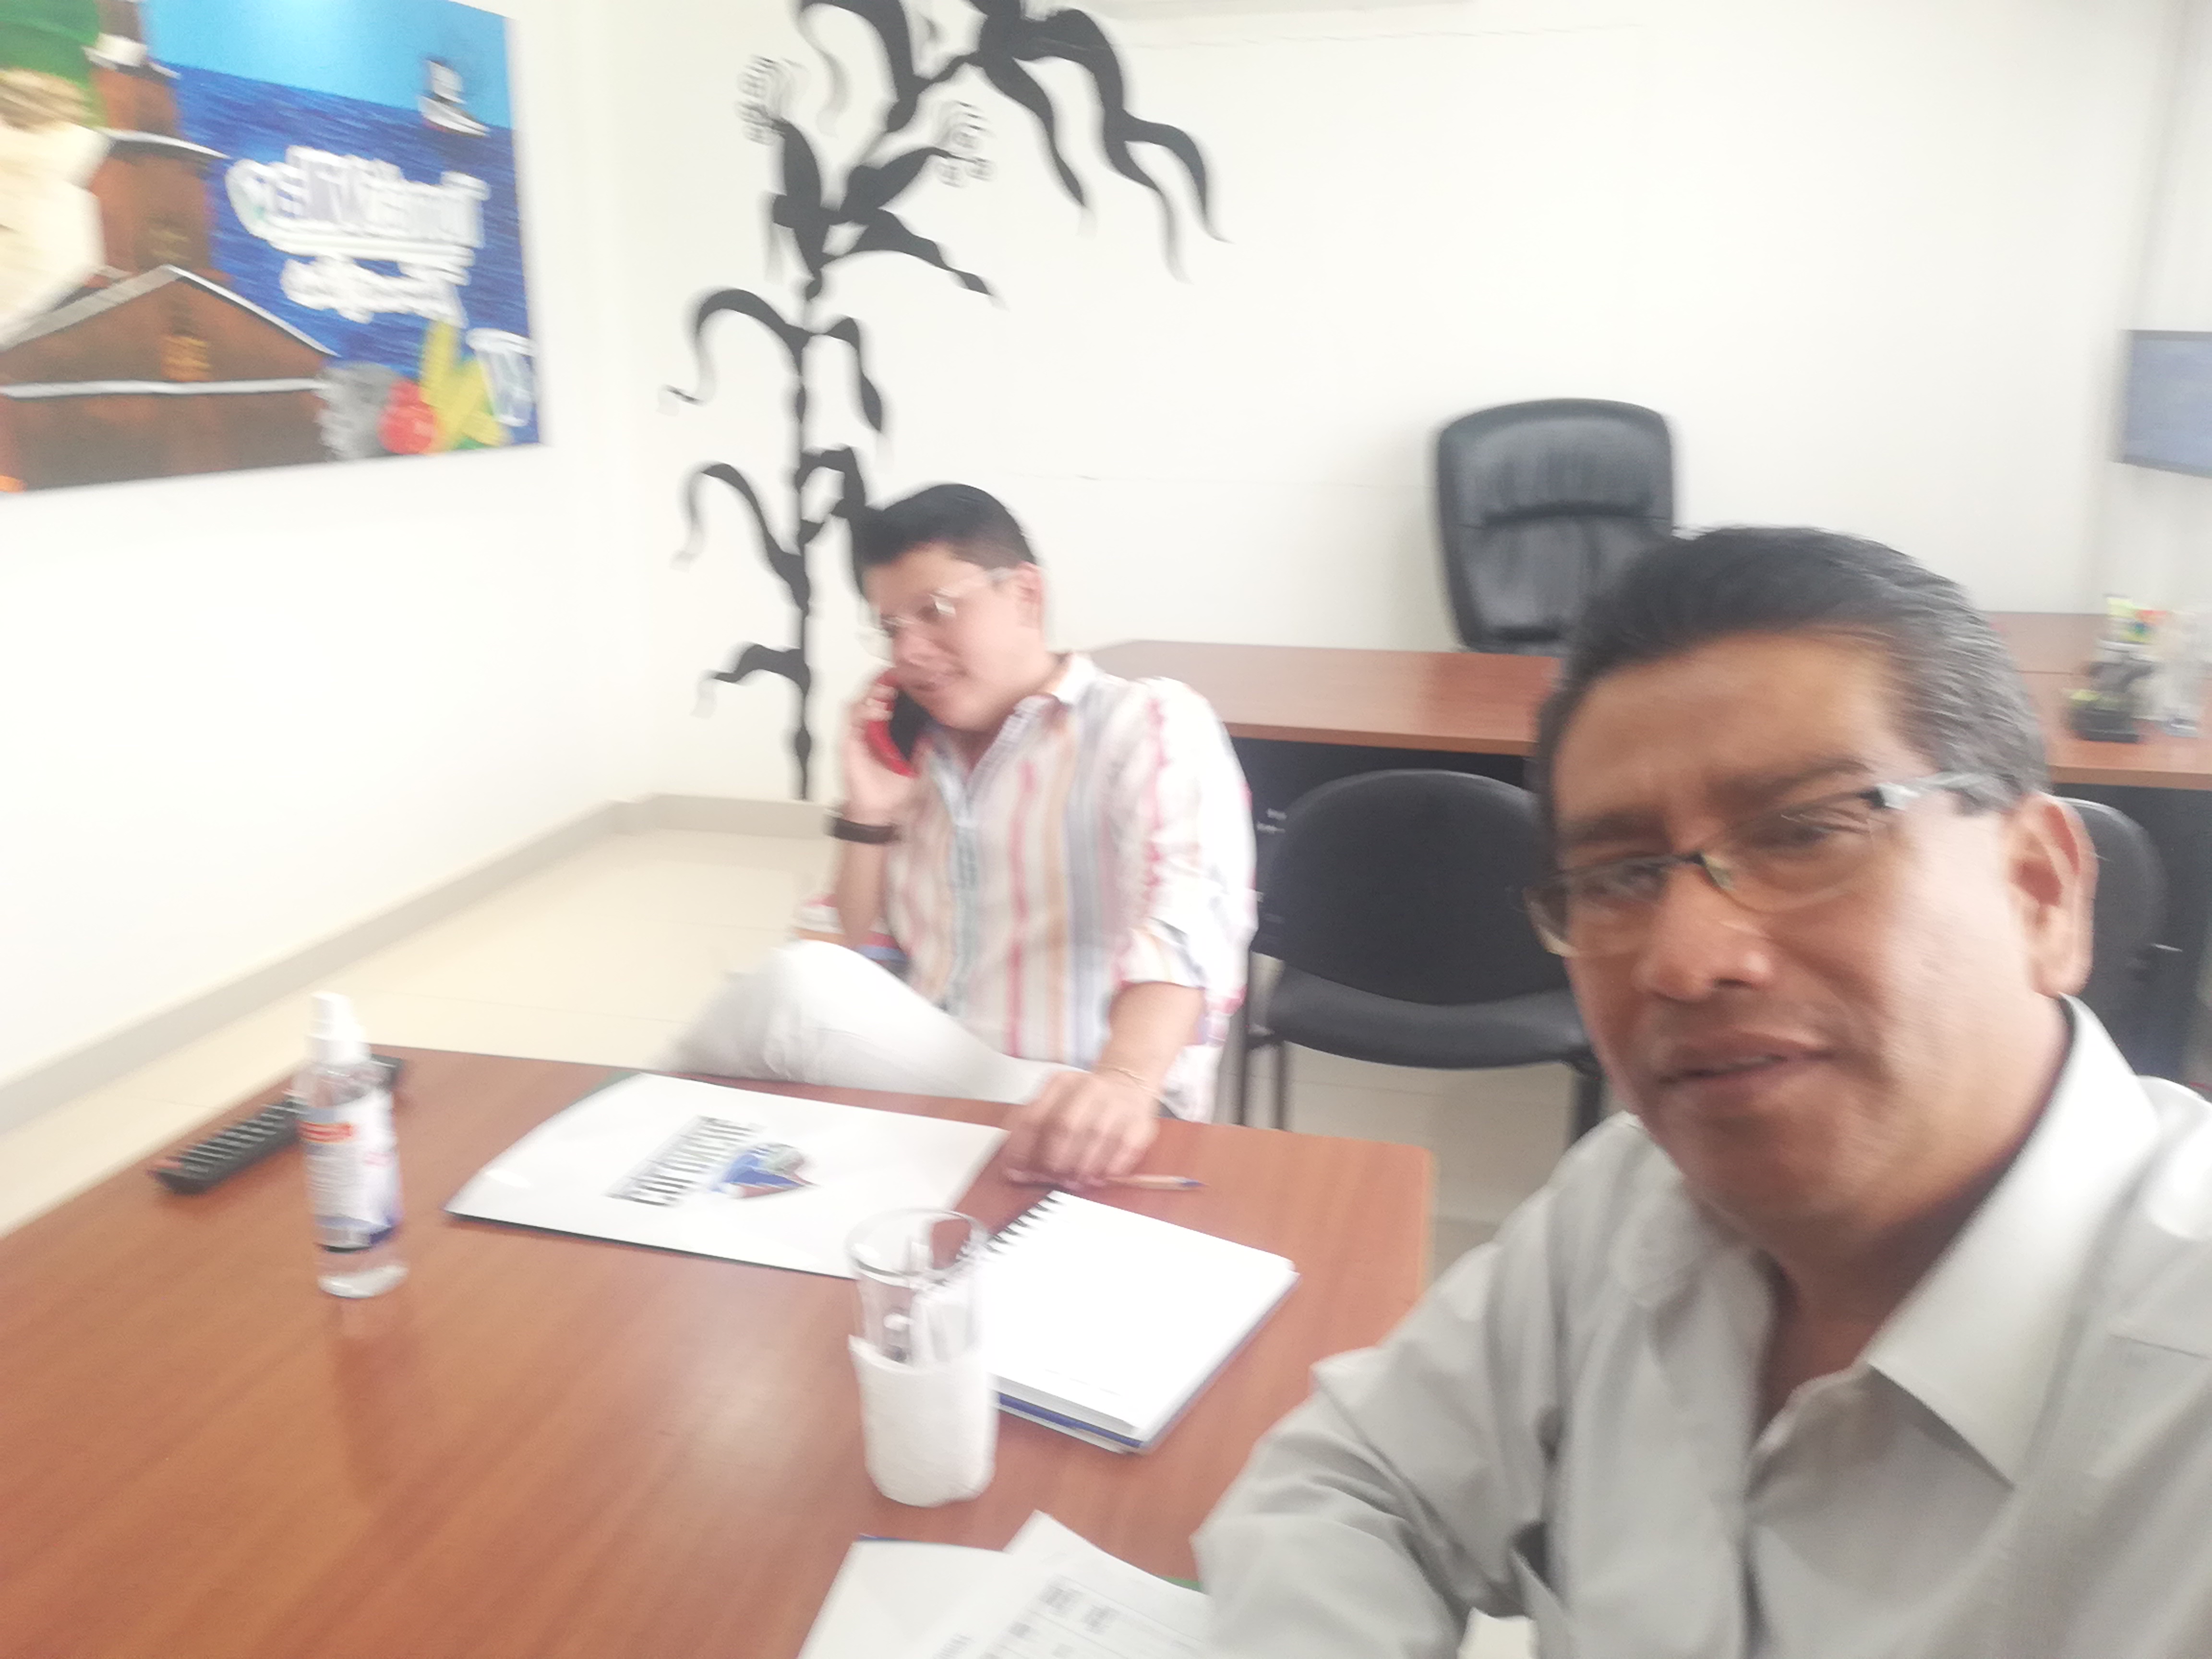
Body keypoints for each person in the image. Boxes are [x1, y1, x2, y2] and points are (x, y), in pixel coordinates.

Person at [1198, 528, 2212, 1657]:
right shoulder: (1631, 1202)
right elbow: (1345, 1488)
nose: (1685, 961)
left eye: (1807, 831)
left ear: (2040, 892)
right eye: (1620, 877)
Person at [665, 483, 1254, 1186]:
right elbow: (851, 953)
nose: (910, 653)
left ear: (1025, 594)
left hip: (1080, 1100)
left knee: (794, 991)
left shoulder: (1145, 722)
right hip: (920, 1086)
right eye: (891, 628)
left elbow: (1189, 919)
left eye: (935, 612)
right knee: (786, 1004)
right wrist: (869, 814)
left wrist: (1124, 1082)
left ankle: (617, 1126)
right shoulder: (917, 756)